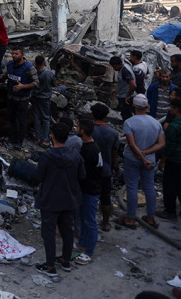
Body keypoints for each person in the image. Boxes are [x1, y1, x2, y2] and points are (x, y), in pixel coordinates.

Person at [34, 122, 85, 277]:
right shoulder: (76, 156)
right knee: (67, 230)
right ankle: (65, 260)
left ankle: (50, 266)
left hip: (50, 200)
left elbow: (38, 177)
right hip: (69, 199)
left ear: (52, 136)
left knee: (48, 233)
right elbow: (82, 176)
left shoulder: (47, 156)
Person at [116, 94, 165, 229]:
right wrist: (146, 155)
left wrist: (141, 156)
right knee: (149, 187)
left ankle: (130, 218)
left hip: (133, 159)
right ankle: (150, 217)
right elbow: (161, 143)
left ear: (133, 106)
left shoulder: (130, 122)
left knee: (131, 187)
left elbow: (132, 145)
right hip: (149, 160)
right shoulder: (155, 123)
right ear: (147, 106)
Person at [75, 118, 103, 265]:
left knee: (90, 221)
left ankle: (89, 252)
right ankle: (83, 243)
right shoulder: (91, 146)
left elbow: (83, 172)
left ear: (83, 131)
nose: (76, 128)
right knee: (85, 217)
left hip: (90, 190)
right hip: (89, 188)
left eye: (78, 126)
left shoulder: (88, 150)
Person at [90, 102, 120, 232]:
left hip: (90, 170)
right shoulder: (113, 133)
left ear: (92, 114)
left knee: (87, 197)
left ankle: (86, 221)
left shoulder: (88, 131)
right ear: (106, 116)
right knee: (105, 198)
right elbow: (114, 153)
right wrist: (113, 167)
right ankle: (106, 223)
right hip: (105, 170)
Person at [4, 47, 37, 149]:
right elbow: (6, 75)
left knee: (22, 121)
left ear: (22, 55)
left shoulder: (28, 67)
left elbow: (36, 83)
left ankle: (20, 141)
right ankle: (13, 138)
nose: (14, 55)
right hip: (11, 98)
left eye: (16, 53)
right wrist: (0, 77)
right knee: (12, 119)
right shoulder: (9, 64)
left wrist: (23, 86)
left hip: (23, 99)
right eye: (12, 53)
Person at [157, 98, 181, 221]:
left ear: (176, 109)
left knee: (169, 186)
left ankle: (170, 211)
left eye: (171, 107)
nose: (169, 109)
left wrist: (162, 161)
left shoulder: (174, 126)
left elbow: (169, 147)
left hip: (175, 161)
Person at [32, 55, 56, 148]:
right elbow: (54, 84)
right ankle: (45, 139)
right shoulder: (49, 74)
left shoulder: (34, 73)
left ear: (35, 63)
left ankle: (38, 138)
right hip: (45, 98)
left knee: (37, 117)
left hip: (35, 96)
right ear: (45, 63)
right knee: (46, 118)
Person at [110, 55, 137, 121]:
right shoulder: (124, 67)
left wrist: (127, 96)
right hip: (126, 95)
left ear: (120, 64)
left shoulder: (125, 71)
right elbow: (123, 82)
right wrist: (116, 89)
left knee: (126, 115)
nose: (114, 69)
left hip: (125, 97)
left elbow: (133, 85)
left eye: (115, 67)